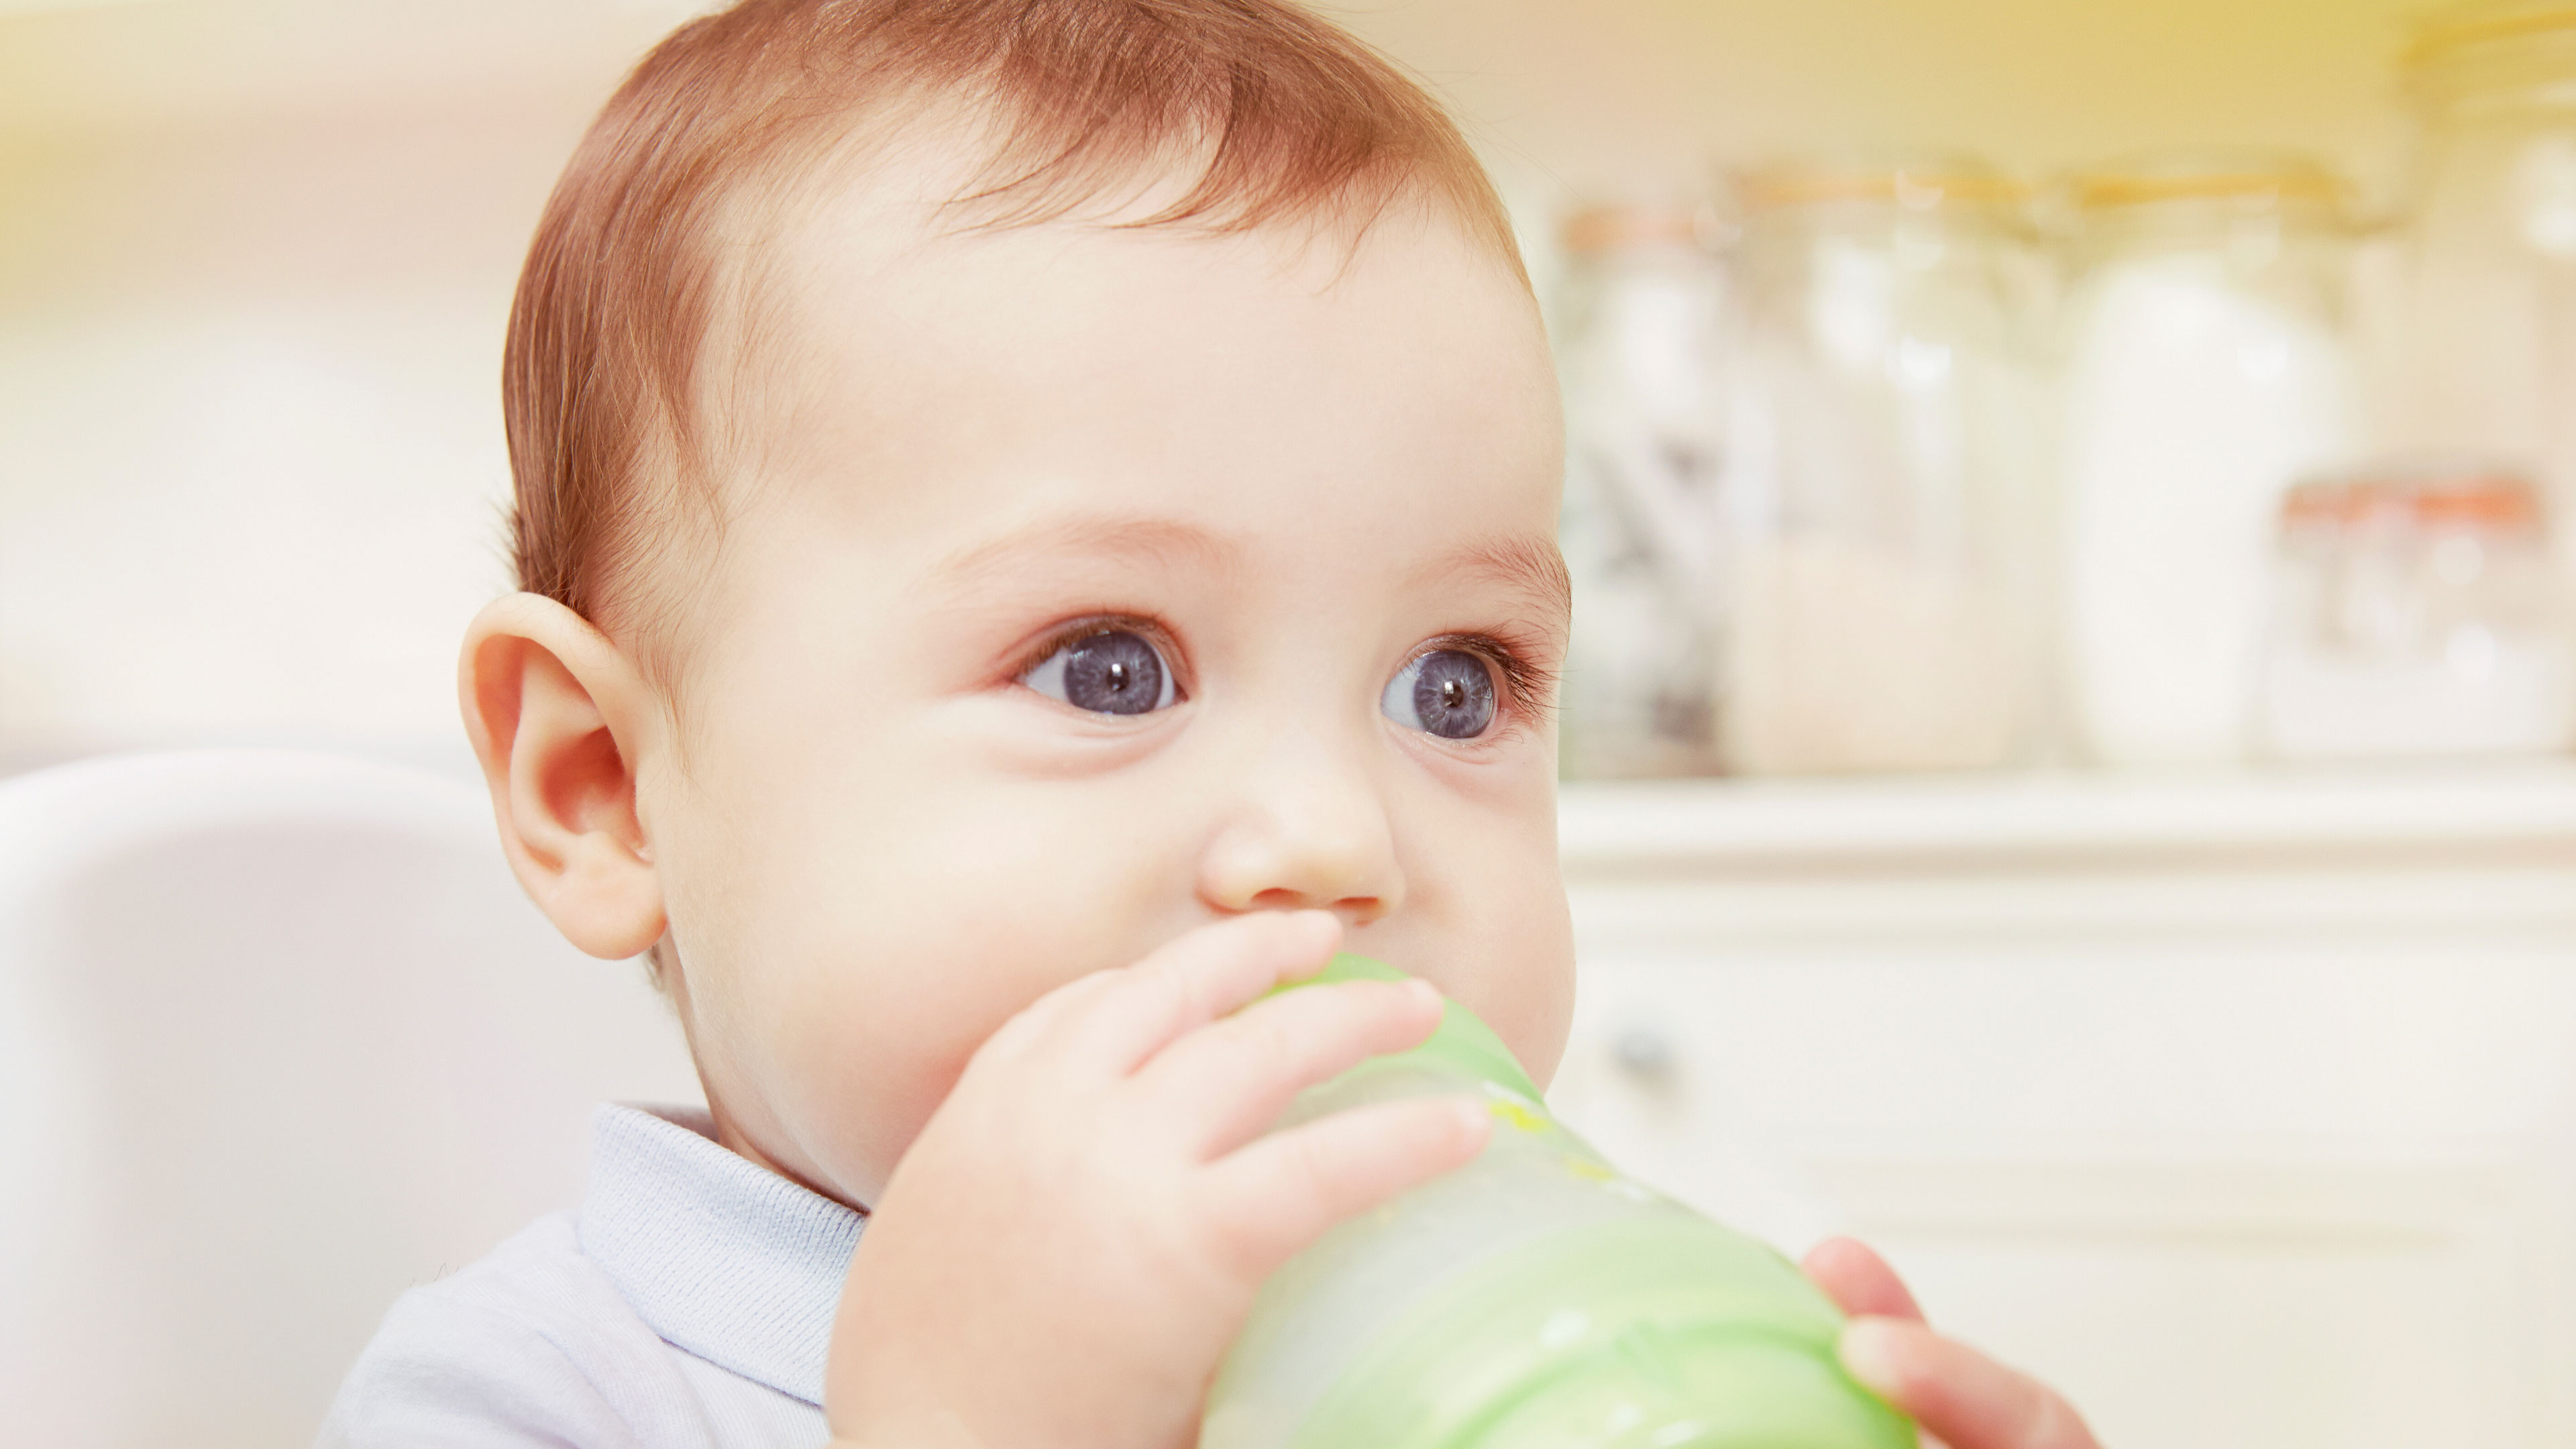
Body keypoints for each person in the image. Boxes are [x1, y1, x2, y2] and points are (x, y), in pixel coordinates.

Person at [319, 2, 2100, 1446]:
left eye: (1455, 684)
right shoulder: (526, 1395)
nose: (1336, 837)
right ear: (610, 788)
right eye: (1110, 665)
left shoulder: (1509, 1354)